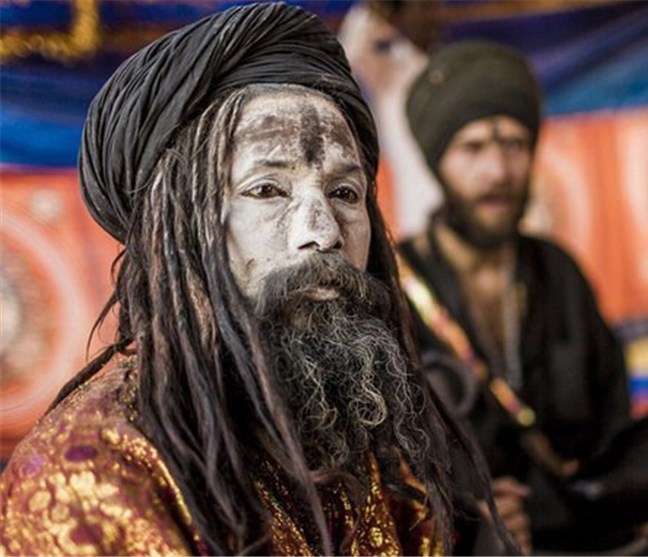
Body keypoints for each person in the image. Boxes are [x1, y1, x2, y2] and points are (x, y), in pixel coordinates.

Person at [0, 5, 510, 555]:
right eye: (267, 190)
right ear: (177, 228)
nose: (322, 232)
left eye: (344, 193)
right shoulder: (90, 476)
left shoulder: (362, 431)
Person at [398, 40, 636, 554]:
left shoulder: (558, 271)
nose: (499, 171)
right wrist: (459, 513)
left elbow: (614, 413)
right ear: (438, 163)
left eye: (514, 144)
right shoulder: (396, 289)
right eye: (473, 148)